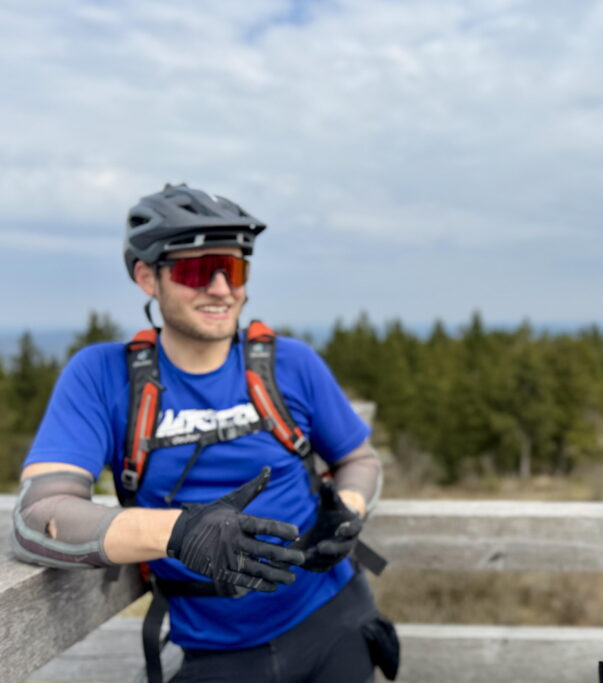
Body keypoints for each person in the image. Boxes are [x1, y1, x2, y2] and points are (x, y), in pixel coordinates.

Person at [12, 184, 396, 683]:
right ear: (147, 277)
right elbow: (39, 515)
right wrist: (178, 533)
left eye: (233, 269)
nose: (221, 289)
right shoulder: (101, 377)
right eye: (197, 271)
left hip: (335, 620)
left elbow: (359, 459)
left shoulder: (291, 363)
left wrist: (347, 510)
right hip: (215, 651)